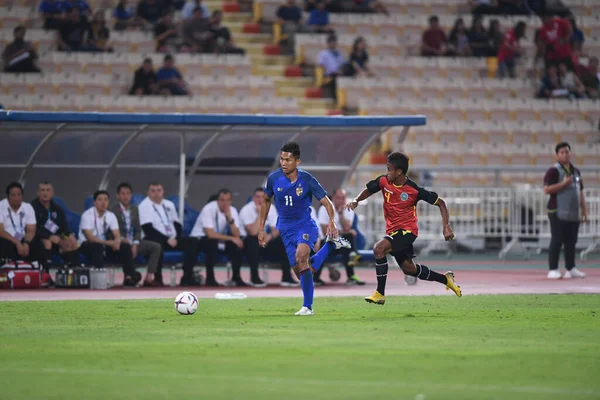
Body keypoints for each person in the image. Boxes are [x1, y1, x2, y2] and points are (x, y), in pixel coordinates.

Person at [345, 152, 462, 305]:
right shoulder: (383, 181)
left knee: (378, 249)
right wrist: (356, 200)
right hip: (393, 231)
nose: (387, 173)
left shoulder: (414, 190)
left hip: (407, 232)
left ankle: (380, 293)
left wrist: (446, 226)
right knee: (409, 269)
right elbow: (369, 189)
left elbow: (441, 203)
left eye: (389, 169)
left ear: (398, 172)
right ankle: (445, 279)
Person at [259, 141, 351, 316]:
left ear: (297, 162)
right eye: (282, 159)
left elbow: (326, 201)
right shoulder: (273, 179)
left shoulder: (307, 179)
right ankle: (331, 246)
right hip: (285, 230)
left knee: (301, 257)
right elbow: (265, 201)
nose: (284, 163)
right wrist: (261, 228)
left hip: (305, 226)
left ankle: (307, 307)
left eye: (288, 159)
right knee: (302, 271)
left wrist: (332, 221)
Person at [139, 182, 201, 286]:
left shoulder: (169, 204)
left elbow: (177, 224)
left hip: (172, 239)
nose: (156, 193)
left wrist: (176, 238)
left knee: (193, 241)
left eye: (159, 190)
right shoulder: (144, 206)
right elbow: (148, 229)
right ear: (148, 193)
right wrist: (166, 239)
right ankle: (158, 278)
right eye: (153, 191)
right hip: (155, 238)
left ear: (163, 192)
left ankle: (187, 276)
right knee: (157, 244)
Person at [78, 190, 141, 287]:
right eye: (100, 200)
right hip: (86, 245)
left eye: (106, 200)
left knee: (125, 246)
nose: (103, 202)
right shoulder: (87, 215)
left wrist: (117, 242)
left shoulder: (110, 215)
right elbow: (90, 238)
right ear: (94, 202)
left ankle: (129, 277)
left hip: (104, 244)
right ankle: (100, 280)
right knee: (97, 246)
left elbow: (117, 234)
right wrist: (110, 243)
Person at [543, 142, 587, 280]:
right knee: (557, 239)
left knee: (571, 241)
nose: (565, 154)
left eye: (567, 152)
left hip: (573, 213)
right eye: (562, 152)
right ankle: (553, 269)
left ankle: (570, 268)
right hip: (557, 210)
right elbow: (547, 189)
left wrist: (584, 209)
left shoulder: (576, 171)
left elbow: (580, 191)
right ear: (557, 155)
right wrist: (563, 184)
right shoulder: (553, 171)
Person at [239, 188, 299, 287]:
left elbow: (276, 229)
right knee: (253, 241)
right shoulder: (246, 210)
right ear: (253, 198)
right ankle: (254, 278)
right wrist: (260, 213)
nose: (260, 200)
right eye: (257, 197)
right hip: (249, 243)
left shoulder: (271, 208)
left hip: (265, 241)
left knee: (285, 240)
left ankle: (286, 277)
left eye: (263, 197)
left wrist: (269, 237)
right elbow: (253, 231)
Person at [190, 188, 246, 287]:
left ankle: (236, 277)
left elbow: (237, 234)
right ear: (217, 200)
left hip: (218, 239)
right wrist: (232, 238)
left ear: (230, 201)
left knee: (237, 245)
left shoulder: (232, 210)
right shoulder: (208, 209)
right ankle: (210, 278)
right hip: (199, 238)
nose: (225, 203)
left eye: (227, 200)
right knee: (211, 243)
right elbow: (210, 234)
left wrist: (230, 218)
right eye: (222, 200)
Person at [112, 183, 162, 287]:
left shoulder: (134, 209)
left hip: (134, 241)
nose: (126, 196)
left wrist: (135, 243)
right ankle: (129, 277)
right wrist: (121, 239)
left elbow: (138, 230)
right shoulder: (113, 210)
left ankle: (149, 278)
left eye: (128, 193)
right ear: (117, 196)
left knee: (156, 247)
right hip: (120, 242)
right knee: (125, 247)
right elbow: (111, 230)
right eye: (123, 194)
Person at [317, 188, 364, 285]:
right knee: (348, 238)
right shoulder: (324, 208)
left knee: (349, 239)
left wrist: (341, 213)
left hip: (341, 243)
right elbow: (326, 231)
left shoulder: (348, 208)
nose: (341, 201)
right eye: (338, 198)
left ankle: (351, 276)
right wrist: (344, 231)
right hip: (326, 242)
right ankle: (315, 278)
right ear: (333, 198)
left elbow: (347, 227)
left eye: (343, 198)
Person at [30, 182, 80, 269]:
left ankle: (74, 271)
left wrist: (68, 236)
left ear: (52, 193)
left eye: (48, 190)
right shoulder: (31, 208)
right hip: (37, 239)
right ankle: (45, 272)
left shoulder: (57, 209)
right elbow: (32, 229)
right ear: (38, 193)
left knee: (72, 242)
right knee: (47, 242)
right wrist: (49, 236)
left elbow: (63, 227)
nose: (45, 193)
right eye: (42, 190)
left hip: (56, 239)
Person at [0, 182, 44, 267]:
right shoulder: (1, 206)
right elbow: (0, 231)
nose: (16, 198)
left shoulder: (28, 207)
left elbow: (31, 230)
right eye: (13, 195)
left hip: (23, 238)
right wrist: (17, 243)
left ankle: (37, 270)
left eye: (19, 194)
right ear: (8, 197)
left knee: (37, 244)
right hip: (6, 238)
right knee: (6, 245)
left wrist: (26, 243)